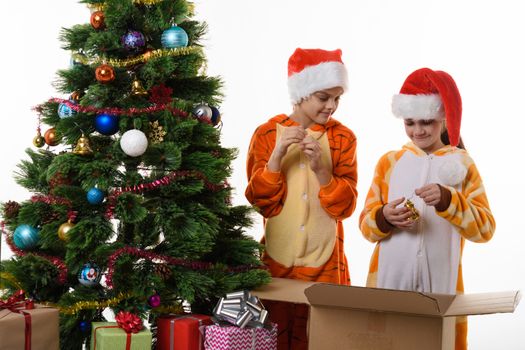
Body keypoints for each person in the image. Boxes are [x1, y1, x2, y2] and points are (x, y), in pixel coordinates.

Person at [359, 68, 495, 350]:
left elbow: (485, 229)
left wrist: (449, 201)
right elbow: (366, 226)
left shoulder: (462, 165)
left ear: (444, 119)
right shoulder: (390, 163)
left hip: (441, 288)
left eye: (427, 122)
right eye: (410, 122)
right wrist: (384, 216)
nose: (417, 131)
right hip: (389, 284)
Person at [245, 48, 358, 349]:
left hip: (325, 264)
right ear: (303, 92)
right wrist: (276, 157)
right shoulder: (267, 134)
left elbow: (345, 207)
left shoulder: (342, 138)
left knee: (323, 339)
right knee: (272, 338)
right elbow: (261, 203)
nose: (332, 106)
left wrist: (322, 170)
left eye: (337, 98)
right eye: (324, 97)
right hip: (276, 261)